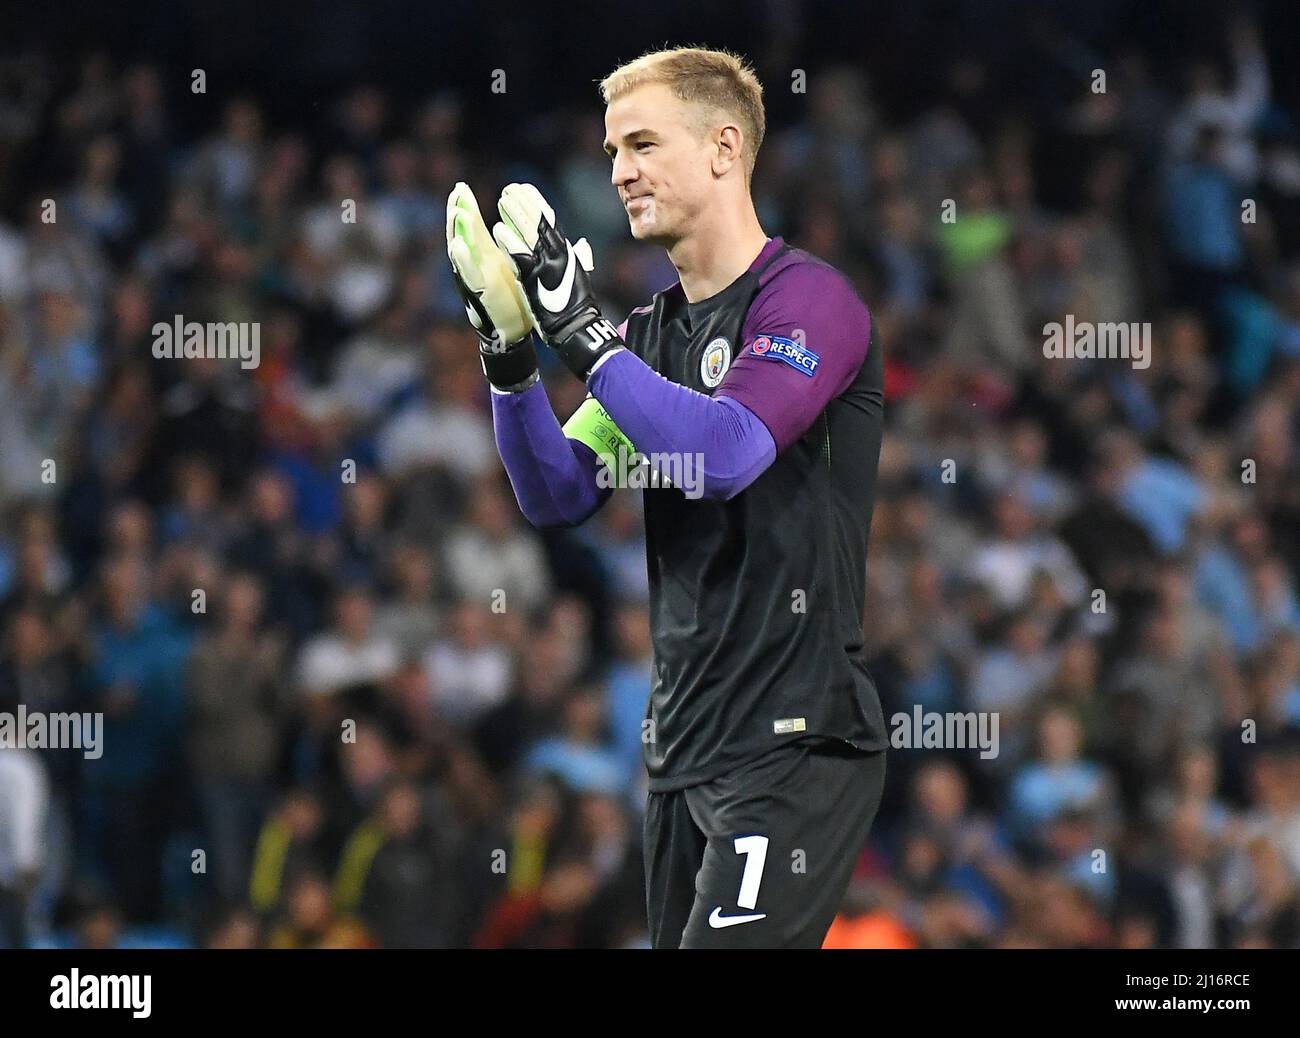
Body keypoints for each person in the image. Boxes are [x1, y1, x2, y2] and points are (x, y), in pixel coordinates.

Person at [446, 45, 887, 948]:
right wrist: (512, 360)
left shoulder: (808, 304)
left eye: (643, 144)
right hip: (682, 752)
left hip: (794, 739)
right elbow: (558, 492)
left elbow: (725, 453)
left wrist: (579, 330)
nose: (620, 172)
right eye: (612, 152)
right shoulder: (647, 338)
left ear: (726, 148)